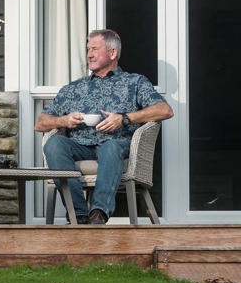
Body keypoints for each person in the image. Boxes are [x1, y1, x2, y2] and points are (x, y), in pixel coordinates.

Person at [36, 29, 173, 225]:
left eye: (94, 49)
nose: (89, 54)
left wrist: (124, 118)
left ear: (112, 53)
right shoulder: (74, 88)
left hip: (116, 146)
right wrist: (64, 121)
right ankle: (78, 214)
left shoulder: (134, 82)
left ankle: (99, 213)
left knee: (111, 146)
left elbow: (165, 110)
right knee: (54, 143)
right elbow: (40, 123)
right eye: (87, 49)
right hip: (80, 147)